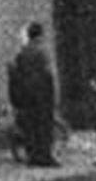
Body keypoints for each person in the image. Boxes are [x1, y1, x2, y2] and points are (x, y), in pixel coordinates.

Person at [9, 22, 60, 167]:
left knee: (30, 127)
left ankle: (32, 157)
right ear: (41, 35)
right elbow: (48, 73)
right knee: (44, 127)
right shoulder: (42, 51)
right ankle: (45, 157)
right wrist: (53, 94)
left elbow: (17, 74)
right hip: (42, 95)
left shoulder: (22, 53)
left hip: (26, 96)